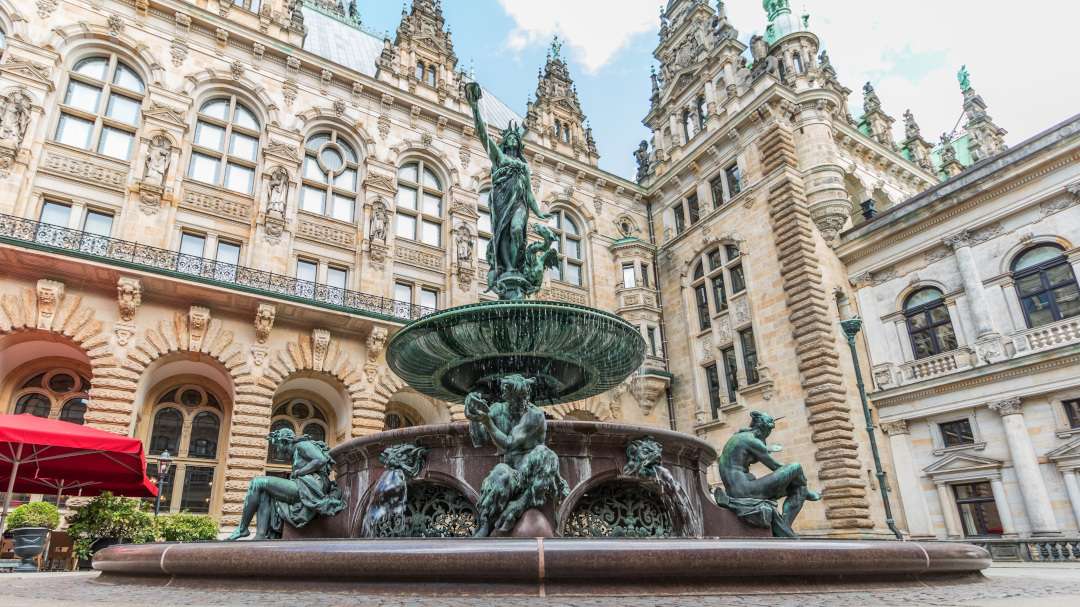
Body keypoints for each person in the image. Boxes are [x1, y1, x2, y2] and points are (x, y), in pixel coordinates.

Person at [226, 428, 344, 540]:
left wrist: (300, 472)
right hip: (303, 486)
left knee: (257, 482)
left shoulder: (302, 444)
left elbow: (321, 459)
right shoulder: (296, 451)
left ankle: (242, 529)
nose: (277, 449)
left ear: (284, 441)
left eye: (277, 445)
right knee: (264, 492)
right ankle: (260, 535)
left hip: (309, 488)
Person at [716, 410, 821, 536]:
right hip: (746, 490)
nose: (768, 434)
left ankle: (785, 529)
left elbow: (750, 454)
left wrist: (767, 448)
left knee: (797, 488)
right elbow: (775, 466)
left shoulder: (741, 437)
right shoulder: (752, 441)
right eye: (769, 431)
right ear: (763, 428)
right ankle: (786, 527)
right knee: (796, 467)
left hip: (739, 489)